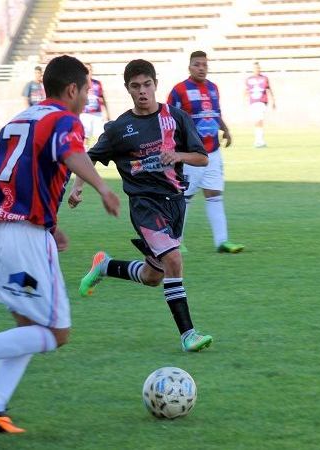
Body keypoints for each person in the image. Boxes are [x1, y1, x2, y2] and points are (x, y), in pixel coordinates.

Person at [0, 55, 120, 433]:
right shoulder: (63, 118)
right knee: (56, 333)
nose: (86, 96)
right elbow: (71, 152)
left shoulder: (20, 118)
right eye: (86, 89)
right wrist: (103, 187)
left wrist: (50, 223)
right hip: (21, 235)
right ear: (71, 89)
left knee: (28, 325)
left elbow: (18, 173)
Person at [68, 59, 214, 352]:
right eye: (135, 87)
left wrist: (178, 156)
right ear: (128, 89)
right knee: (173, 260)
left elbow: (202, 158)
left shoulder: (177, 118)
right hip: (145, 206)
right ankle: (188, 335)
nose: (142, 91)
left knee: (153, 276)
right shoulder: (120, 128)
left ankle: (104, 266)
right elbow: (89, 156)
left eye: (147, 84)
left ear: (155, 84)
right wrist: (78, 187)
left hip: (175, 203)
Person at [167, 51, 244, 254]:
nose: (201, 68)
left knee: (214, 194)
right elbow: (168, 118)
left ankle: (222, 242)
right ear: (189, 67)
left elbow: (215, 113)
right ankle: (176, 242)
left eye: (204, 65)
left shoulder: (213, 88)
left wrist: (225, 130)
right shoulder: (179, 90)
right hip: (191, 154)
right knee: (185, 196)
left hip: (213, 151)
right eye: (197, 64)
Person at [244, 61, 275, 148]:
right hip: (253, 102)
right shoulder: (249, 79)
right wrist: (244, 100)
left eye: (258, 68)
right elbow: (246, 90)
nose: (257, 70)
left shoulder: (264, 78)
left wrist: (273, 101)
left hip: (262, 101)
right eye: (255, 68)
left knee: (259, 120)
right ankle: (258, 140)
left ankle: (259, 141)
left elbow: (269, 89)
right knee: (256, 121)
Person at [80, 63, 111, 148]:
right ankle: (85, 152)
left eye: (90, 69)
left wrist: (106, 112)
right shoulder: (80, 84)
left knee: (100, 135)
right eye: (86, 70)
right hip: (85, 113)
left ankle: (97, 153)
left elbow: (102, 98)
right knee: (85, 136)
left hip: (97, 113)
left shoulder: (97, 83)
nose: (88, 71)